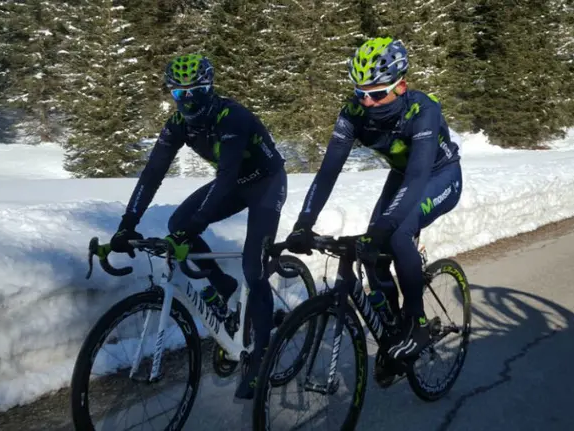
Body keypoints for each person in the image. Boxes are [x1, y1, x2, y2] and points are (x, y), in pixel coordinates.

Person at [110, 53, 288, 400]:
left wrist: (191, 230)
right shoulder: (179, 124)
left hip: (265, 183)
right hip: (235, 182)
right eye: (179, 94)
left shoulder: (232, 117)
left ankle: (261, 358)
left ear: (211, 87)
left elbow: (224, 181)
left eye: (196, 91)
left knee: (254, 267)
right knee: (178, 221)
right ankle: (223, 286)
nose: (188, 100)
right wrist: (126, 224)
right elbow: (152, 174)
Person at [284, 37, 463, 363]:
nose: (366, 102)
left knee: (395, 232)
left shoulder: (423, 110)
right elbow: (327, 174)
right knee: (370, 249)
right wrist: (303, 223)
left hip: (438, 175)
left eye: (377, 94)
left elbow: (418, 176)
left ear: (401, 86)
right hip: (402, 175)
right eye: (360, 93)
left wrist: (385, 227)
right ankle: (394, 329)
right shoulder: (353, 114)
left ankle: (417, 324)